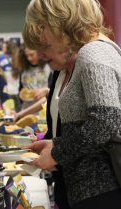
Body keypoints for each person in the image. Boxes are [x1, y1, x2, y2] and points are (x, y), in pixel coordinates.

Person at [23, 0, 121, 209]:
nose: (41, 52)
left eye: (45, 42)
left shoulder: (93, 52)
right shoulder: (93, 52)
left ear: (62, 25)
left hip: (101, 194)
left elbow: (106, 121)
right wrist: (54, 144)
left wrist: (57, 153)